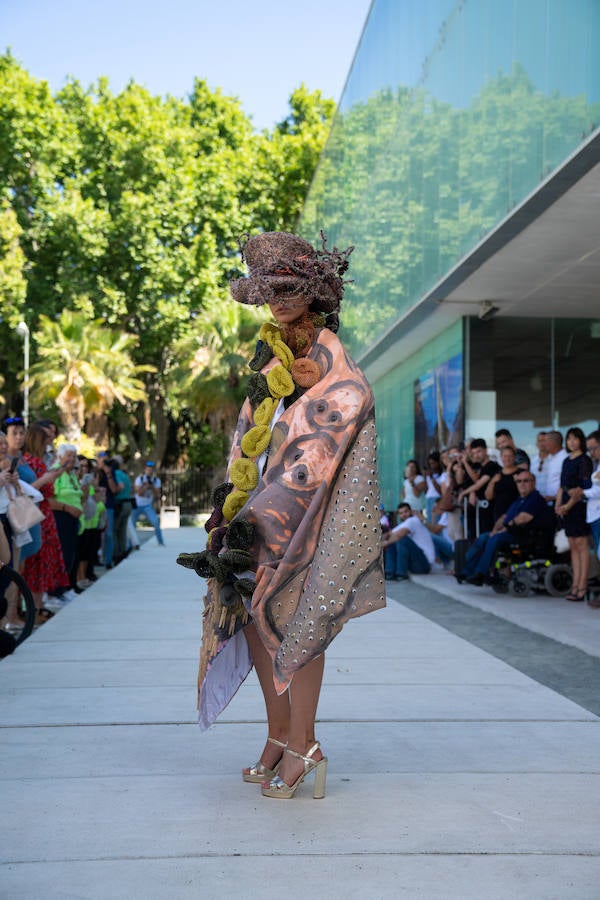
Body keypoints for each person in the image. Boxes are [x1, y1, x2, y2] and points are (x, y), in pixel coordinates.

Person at [177, 231, 385, 800]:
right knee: (255, 623)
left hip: (306, 513)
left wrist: (302, 412)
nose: (280, 301)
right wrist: (229, 506)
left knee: (299, 621)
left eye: (290, 288)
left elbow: (348, 406)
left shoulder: (332, 360)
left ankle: (304, 742)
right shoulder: (269, 357)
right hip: (256, 514)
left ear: (316, 292)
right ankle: (277, 734)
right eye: (270, 291)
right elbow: (249, 437)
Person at [459, 471, 554, 585]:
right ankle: (466, 572)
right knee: (485, 537)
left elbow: (523, 518)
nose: (522, 484)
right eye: (519, 481)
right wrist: (494, 530)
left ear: (533, 483)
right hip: (513, 534)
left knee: (495, 539)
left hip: (528, 537)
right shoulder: (519, 500)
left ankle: (481, 573)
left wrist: (505, 528)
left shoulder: (535, 499)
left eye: (526, 481)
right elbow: (504, 517)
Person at [21, 425, 71, 622]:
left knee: (44, 561)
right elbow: (36, 489)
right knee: (36, 562)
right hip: (37, 514)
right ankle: (34, 607)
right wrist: (47, 478)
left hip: (44, 515)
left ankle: (38, 606)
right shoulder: (30, 462)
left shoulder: (37, 462)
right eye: (46, 439)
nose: (49, 443)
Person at [555, 427, 593, 602]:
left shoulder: (585, 460)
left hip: (578, 507)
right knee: (572, 545)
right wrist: (559, 504)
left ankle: (582, 586)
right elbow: (562, 486)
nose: (572, 442)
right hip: (565, 507)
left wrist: (568, 505)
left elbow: (584, 487)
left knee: (581, 544)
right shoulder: (565, 461)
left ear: (581, 441)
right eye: (569, 439)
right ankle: (575, 585)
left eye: (575, 438)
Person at [381, 502, 436, 580]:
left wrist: (385, 543)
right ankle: (389, 572)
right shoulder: (406, 523)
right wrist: (383, 540)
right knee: (392, 541)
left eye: (406, 511)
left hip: (424, 564)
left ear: (411, 511)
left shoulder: (413, 520)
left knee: (401, 539)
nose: (404, 515)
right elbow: (390, 533)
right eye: (401, 513)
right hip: (416, 563)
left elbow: (399, 534)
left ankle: (401, 573)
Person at [130, 461, 165, 546]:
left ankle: (160, 542)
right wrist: (146, 485)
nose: (150, 472)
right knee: (131, 525)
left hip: (147, 506)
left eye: (151, 470)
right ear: (145, 470)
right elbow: (139, 493)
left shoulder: (156, 480)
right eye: (148, 470)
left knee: (156, 522)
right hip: (137, 505)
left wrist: (152, 485)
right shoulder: (140, 479)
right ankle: (130, 545)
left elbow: (157, 494)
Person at [485, 445, 519, 521]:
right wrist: (492, 482)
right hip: (498, 516)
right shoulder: (497, 474)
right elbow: (488, 496)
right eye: (505, 456)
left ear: (514, 457)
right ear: (501, 457)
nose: (507, 459)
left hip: (516, 515)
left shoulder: (521, 474)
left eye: (510, 456)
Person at [543, 431, 568, 503]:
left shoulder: (565, 458)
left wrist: (554, 497)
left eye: (545, 441)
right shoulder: (550, 457)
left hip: (562, 502)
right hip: (549, 502)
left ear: (553, 442)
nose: (544, 444)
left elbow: (568, 484)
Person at [530, 431, 549, 498]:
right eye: (539, 441)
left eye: (544, 441)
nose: (541, 443)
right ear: (536, 443)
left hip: (551, 500)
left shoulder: (554, 460)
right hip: (536, 499)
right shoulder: (532, 461)